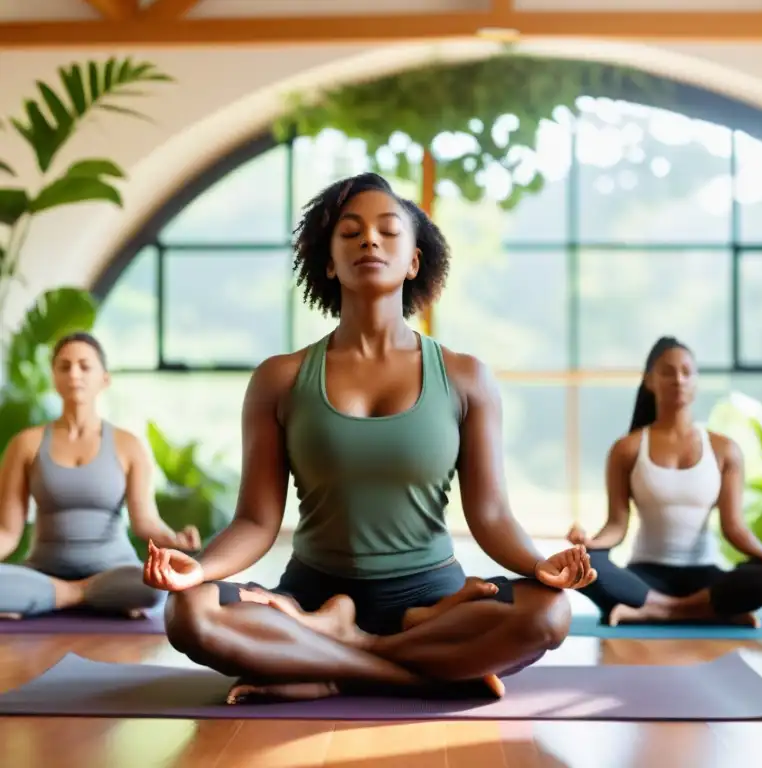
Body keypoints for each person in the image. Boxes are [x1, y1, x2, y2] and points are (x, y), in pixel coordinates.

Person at [142, 172, 598, 705]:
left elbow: (492, 516)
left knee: (549, 613)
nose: (370, 240)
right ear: (330, 262)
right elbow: (256, 520)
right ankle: (407, 672)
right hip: (312, 594)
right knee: (191, 613)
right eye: (351, 232)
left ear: (413, 261)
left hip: (431, 601)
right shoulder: (280, 379)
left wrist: (538, 564)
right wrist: (201, 569)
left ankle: (332, 661)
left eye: (387, 230)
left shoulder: (467, 377)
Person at [567, 336, 762, 628]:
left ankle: (659, 610)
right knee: (586, 563)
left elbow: (735, 528)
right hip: (646, 575)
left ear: (696, 381)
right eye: (667, 372)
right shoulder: (626, 449)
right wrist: (589, 544)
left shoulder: (724, 449)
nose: (678, 380)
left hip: (704, 576)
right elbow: (617, 524)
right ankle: (705, 612)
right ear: (650, 381)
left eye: (686, 372)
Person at [0, 332, 200, 620]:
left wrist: (175, 540)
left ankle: (55, 597)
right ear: (54, 377)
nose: (74, 374)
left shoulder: (128, 445)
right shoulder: (26, 444)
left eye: (85, 366)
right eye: (64, 366)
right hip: (43, 571)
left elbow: (145, 523)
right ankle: (87, 595)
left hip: (114, 570)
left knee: (152, 587)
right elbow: (8, 532)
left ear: (104, 379)